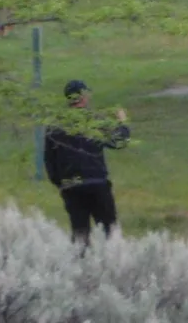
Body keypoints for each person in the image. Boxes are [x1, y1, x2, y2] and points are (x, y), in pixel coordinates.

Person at [44, 80, 128, 246]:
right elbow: (118, 141)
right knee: (108, 230)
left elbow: (49, 160)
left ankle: (81, 264)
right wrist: (122, 123)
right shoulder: (94, 121)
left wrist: (60, 183)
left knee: (80, 232)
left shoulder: (55, 126)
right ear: (82, 97)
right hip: (97, 182)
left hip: (71, 186)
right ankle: (112, 262)